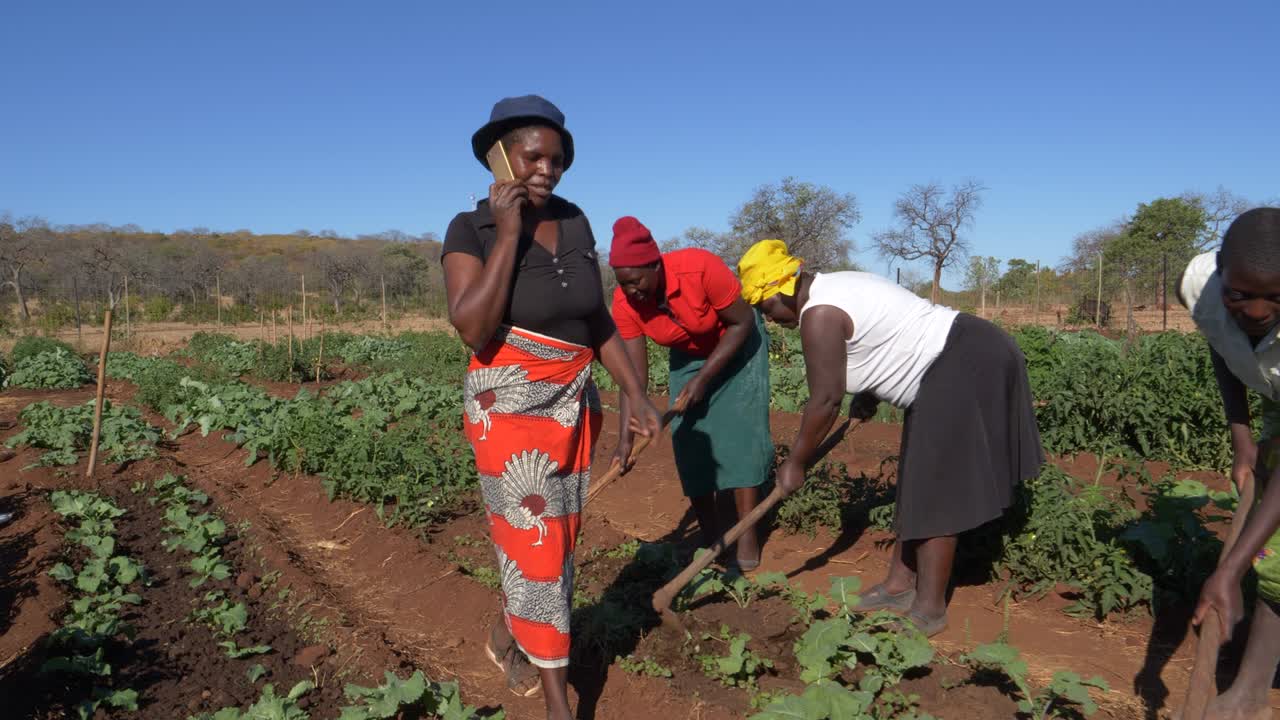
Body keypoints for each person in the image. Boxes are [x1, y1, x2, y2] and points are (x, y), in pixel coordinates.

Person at [441, 94, 662, 719]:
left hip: (573, 400)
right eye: (533, 156)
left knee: (556, 538)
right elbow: (473, 327)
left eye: (557, 160)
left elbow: (594, 317)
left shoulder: (576, 220)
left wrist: (634, 395)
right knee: (537, 542)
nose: (546, 170)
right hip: (507, 404)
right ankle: (556, 701)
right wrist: (507, 233)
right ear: (502, 156)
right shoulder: (470, 228)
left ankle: (511, 631)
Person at [735, 239, 1044, 637]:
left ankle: (930, 608)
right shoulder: (832, 287)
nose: (769, 318)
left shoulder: (820, 314)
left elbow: (825, 400)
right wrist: (868, 392)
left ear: (782, 289)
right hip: (954, 360)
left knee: (936, 489)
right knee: (917, 481)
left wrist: (795, 462)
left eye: (765, 307)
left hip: (965, 361)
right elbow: (883, 333)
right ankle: (900, 585)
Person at [607, 216, 772, 569]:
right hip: (690, 353)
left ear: (655, 265)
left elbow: (741, 322)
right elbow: (632, 379)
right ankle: (712, 536)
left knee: (739, 436)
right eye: (623, 284)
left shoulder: (698, 267)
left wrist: (704, 379)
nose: (631, 291)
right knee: (687, 437)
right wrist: (624, 439)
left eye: (636, 281)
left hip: (737, 343)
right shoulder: (625, 304)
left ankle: (746, 533)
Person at [1182, 207, 1280, 720]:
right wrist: (1242, 440)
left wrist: (1232, 568)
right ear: (1220, 270)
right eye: (1241, 296)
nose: (1259, 312)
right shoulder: (1199, 285)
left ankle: (1249, 694)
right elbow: (1224, 345)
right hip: (1275, 389)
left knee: (1276, 550)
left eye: (1277, 299)